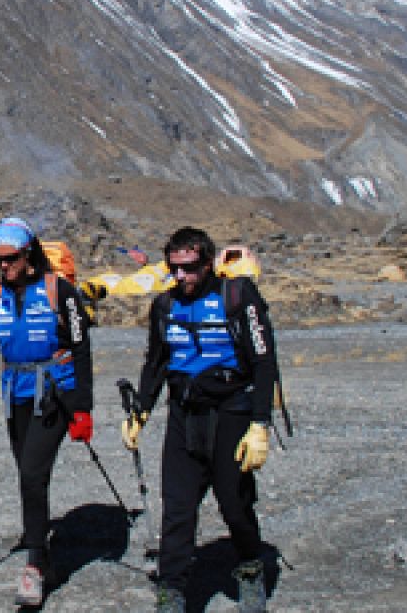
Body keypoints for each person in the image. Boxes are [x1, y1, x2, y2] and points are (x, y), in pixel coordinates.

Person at [121, 227, 279, 613]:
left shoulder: (239, 299)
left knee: (234, 504)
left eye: (190, 269)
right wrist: (141, 409)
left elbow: (263, 362)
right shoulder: (164, 307)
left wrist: (260, 423)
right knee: (178, 507)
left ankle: (250, 567)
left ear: (208, 264)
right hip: (184, 415)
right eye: (175, 269)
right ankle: (172, 590)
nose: (182, 278)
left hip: (231, 413)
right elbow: (156, 363)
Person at [0, 217, 95, 607]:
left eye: (10, 259)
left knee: (31, 472)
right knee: (29, 476)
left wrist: (81, 408)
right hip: (15, 395)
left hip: (53, 393)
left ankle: (35, 566)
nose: (4, 266)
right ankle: (42, 550)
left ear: (28, 255)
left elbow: (81, 349)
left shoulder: (60, 291)